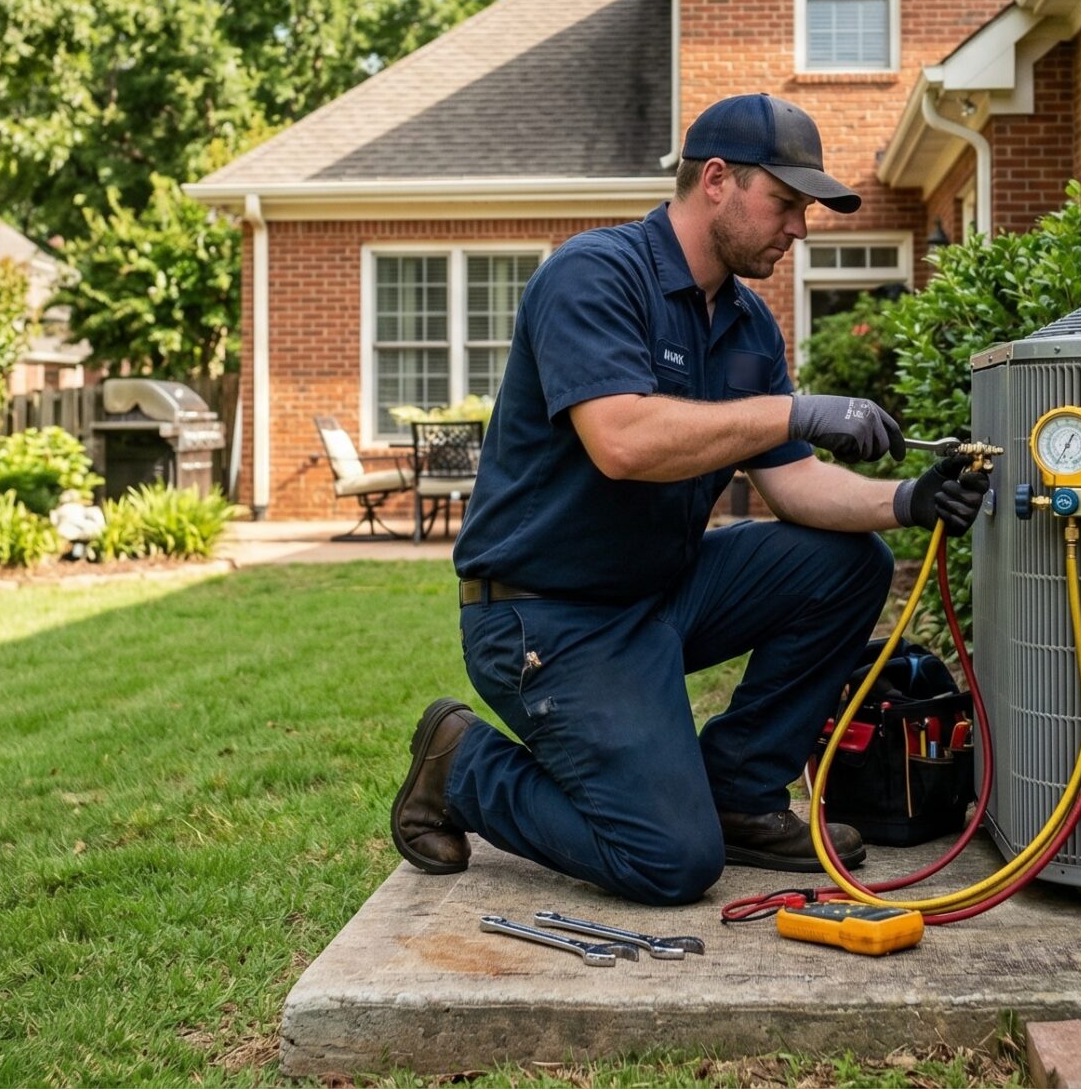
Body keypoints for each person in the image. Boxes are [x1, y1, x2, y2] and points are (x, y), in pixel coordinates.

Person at [388, 92, 989, 906]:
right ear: (716, 179)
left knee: (847, 565)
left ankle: (739, 791)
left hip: (660, 591)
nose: (800, 228)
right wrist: (794, 408)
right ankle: (463, 763)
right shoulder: (593, 275)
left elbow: (792, 481)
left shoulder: (745, 326)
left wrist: (907, 499)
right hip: (546, 616)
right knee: (669, 860)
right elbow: (624, 440)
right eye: (785, 202)